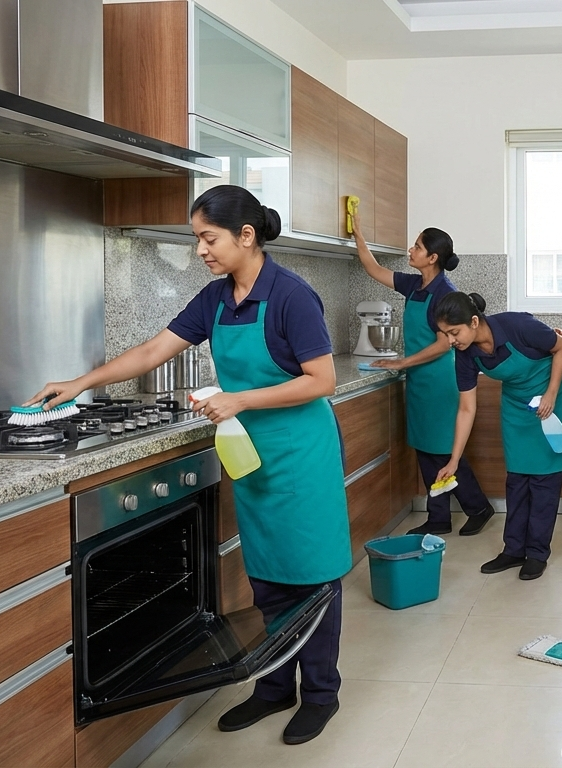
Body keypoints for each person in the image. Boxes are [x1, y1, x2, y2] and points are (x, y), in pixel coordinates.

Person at [26, 185, 350, 744]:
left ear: (246, 236)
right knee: (269, 575)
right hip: (253, 454)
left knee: (313, 576)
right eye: (197, 238)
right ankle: (274, 687)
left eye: (209, 237)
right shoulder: (217, 297)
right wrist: (81, 382)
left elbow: (323, 380)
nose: (200, 249)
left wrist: (241, 398)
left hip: (301, 454)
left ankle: (321, 694)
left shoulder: (293, 296)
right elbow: (154, 350)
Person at [350, 219, 495, 536]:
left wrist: (404, 362)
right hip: (420, 379)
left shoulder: (445, 293)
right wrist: (359, 234)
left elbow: (445, 343)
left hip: (441, 379)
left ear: (432, 258)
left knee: (441, 448)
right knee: (426, 449)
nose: (410, 250)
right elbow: (374, 269)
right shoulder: (414, 285)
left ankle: (478, 507)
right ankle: (439, 517)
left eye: (417, 246)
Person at [433, 292, 562, 580]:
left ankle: (537, 552)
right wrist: (453, 460)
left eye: (454, 332)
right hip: (515, 407)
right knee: (517, 481)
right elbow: (466, 408)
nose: (450, 340)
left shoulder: (518, 326)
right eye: (445, 334)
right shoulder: (466, 354)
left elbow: (561, 349)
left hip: (550, 399)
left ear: (474, 322)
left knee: (544, 480)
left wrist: (550, 394)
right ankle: (513, 549)